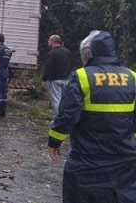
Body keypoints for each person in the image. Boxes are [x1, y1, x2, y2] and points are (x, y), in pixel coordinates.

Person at [48, 30, 136, 203]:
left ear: (89, 53)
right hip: (124, 158)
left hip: (88, 158)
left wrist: (54, 141)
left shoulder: (82, 77)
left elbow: (67, 116)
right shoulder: (132, 77)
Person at [43, 34, 72, 121]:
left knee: (56, 101)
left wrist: (44, 79)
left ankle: (59, 120)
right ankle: (60, 117)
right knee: (63, 101)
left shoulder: (52, 53)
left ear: (52, 41)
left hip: (54, 80)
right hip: (66, 79)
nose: (48, 42)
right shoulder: (67, 52)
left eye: (49, 40)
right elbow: (70, 64)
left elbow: (48, 67)